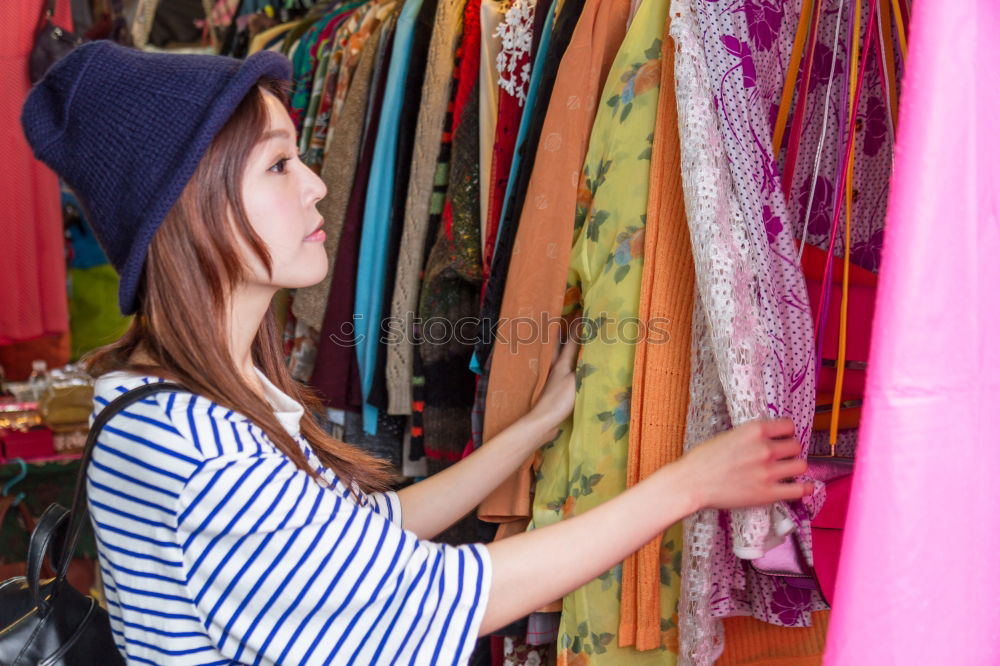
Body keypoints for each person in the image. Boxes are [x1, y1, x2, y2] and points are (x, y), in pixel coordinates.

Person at [21, 41, 810, 665]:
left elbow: (374, 528)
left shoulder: (169, 406)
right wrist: (691, 483)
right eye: (279, 163)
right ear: (190, 208)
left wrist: (533, 428)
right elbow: (440, 593)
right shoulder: (196, 455)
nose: (319, 186)